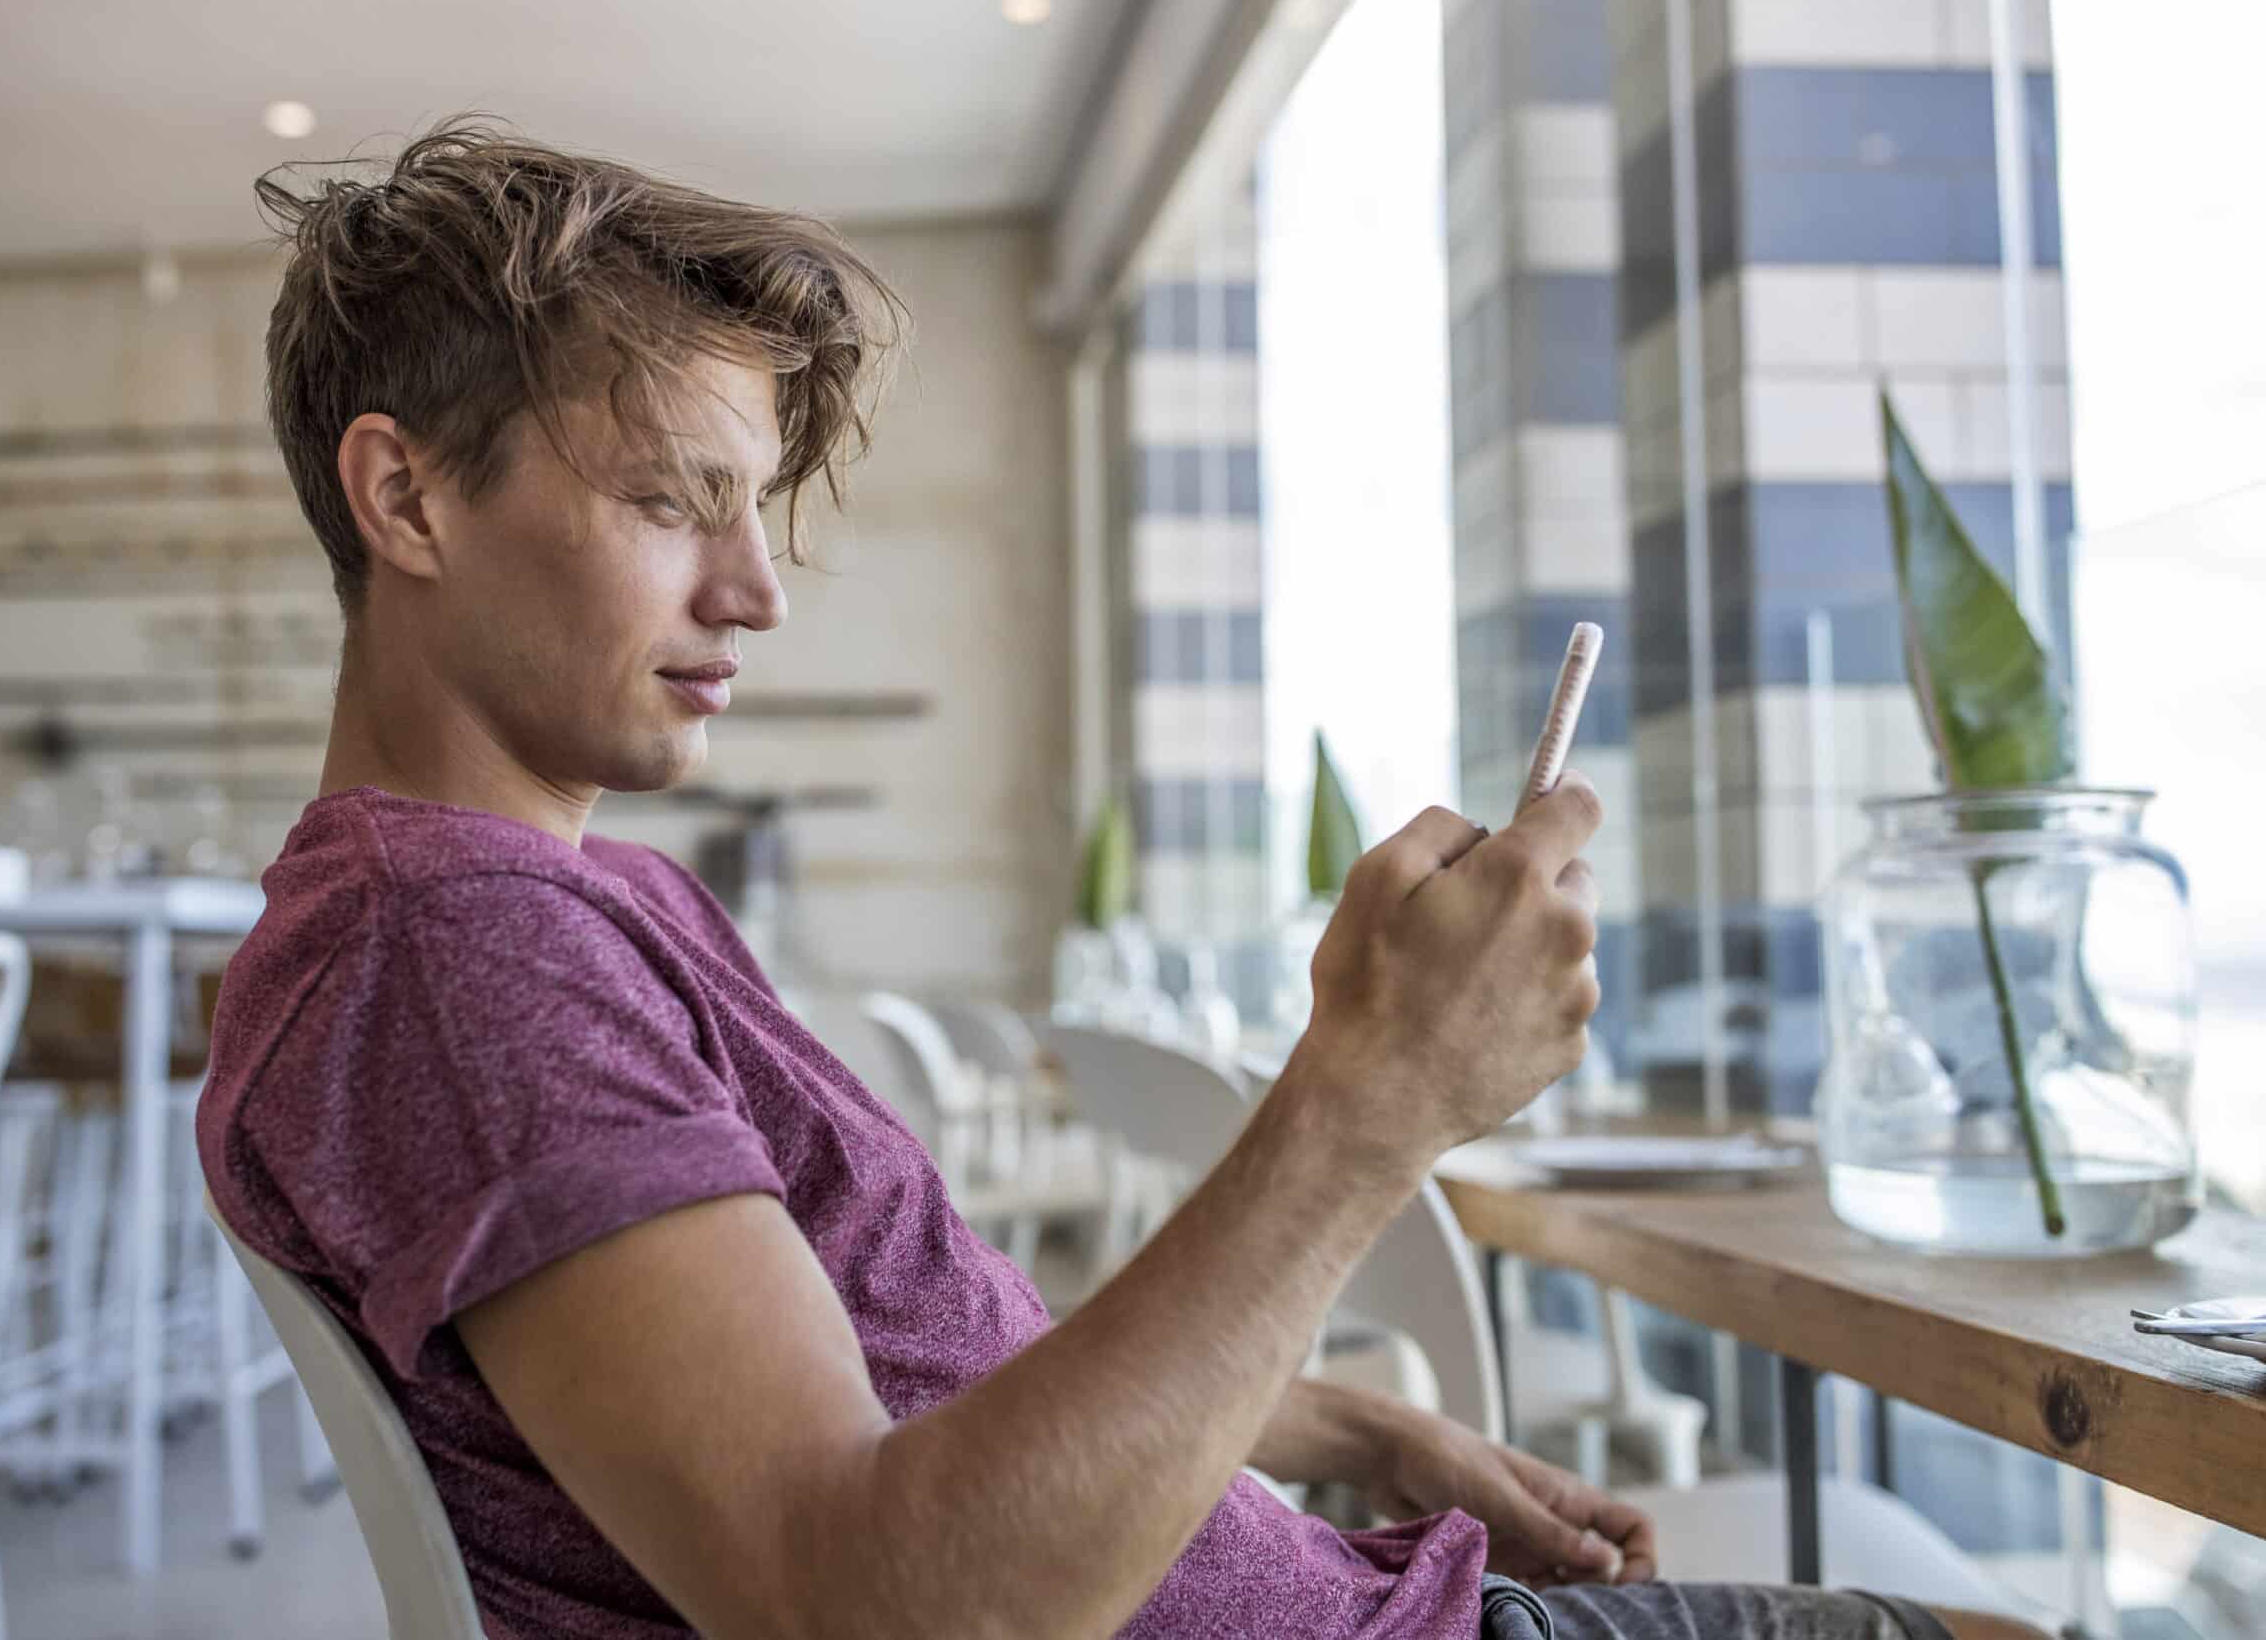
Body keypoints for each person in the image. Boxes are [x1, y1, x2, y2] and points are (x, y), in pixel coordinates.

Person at [197, 122, 2045, 1640]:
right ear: (411, 497)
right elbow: (876, 1610)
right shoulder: (457, 950)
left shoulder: (547, 911)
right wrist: (1370, 1101)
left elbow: (887, 1380)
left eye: (759, 513)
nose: (756, 594)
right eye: (675, 503)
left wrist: (1337, 1421)